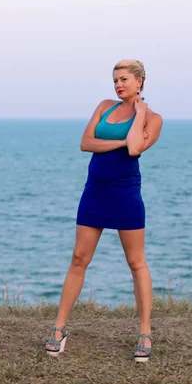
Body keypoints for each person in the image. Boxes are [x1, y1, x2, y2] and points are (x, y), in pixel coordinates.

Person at [45, 59, 163, 362]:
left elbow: (136, 148)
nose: (118, 85)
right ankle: (59, 330)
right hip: (94, 192)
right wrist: (121, 140)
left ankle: (145, 334)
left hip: (126, 193)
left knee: (136, 263)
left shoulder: (153, 118)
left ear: (140, 82)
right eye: (115, 80)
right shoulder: (104, 106)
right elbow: (85, 143)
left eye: (124, 79)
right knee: (78, 258)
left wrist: (139, 114)